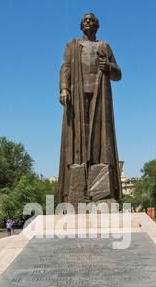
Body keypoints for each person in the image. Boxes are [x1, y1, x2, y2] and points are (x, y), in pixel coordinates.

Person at [58, 13, 122, 204]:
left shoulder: (104, 46)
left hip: (99, 95)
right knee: (78, 139)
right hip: (77, 96)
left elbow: (118, 74)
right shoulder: (73, 46)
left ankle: (101, 193)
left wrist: (108, 65)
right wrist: (64, 88)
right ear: (81, 25)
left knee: (101, 140)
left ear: (97, 25)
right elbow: (65, 68)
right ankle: (77, 193)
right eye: (85, 20)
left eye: (91, 20)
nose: (88, 22)